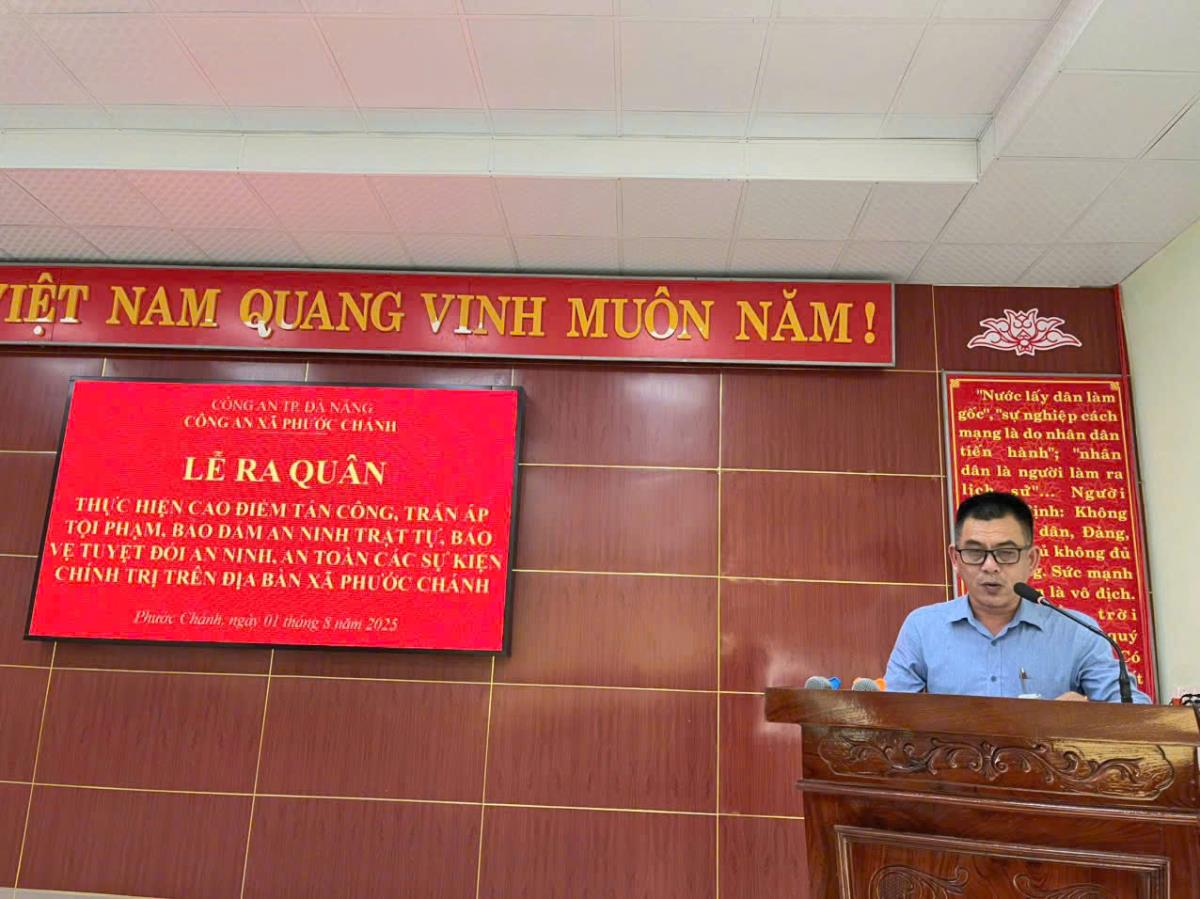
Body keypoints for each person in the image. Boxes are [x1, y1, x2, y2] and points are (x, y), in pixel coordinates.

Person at [885, 491, 1151, 703]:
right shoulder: (923, 628)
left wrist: (1085, 716)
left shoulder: (1077, 633)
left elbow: (1134, 712)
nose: (990, 566)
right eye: (975, 552)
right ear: (956, 559)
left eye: (1006, 553)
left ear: (1032, 560)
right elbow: (891, 719)